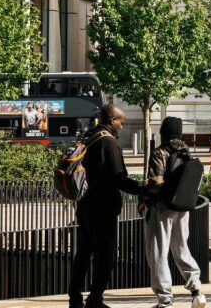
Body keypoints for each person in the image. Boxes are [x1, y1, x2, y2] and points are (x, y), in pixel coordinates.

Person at [69, 104, 142, 308]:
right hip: (103, 208)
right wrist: (142, 189)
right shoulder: (108, 142)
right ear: (112, 120)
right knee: (105, 257)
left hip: (84, 205)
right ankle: (95, 299)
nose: (122, 126)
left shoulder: (89, 136)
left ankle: (74, 299)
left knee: (82, 254)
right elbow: (119, 178)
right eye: (121, 122)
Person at [142, 117, 206, 308]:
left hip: (163, 208)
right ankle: (196, 290)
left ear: (163, 132)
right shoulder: (186, 152)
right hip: (182, 208)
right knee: (181, 248)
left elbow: (155, 182)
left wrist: (144, 197)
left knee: (158, 252)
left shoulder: (160, 152)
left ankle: (165, 299)